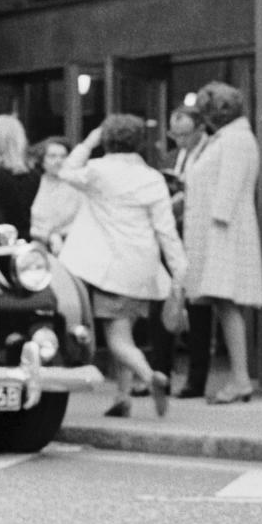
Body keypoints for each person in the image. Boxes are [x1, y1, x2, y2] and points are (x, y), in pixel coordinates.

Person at [59, 114, 186, 418]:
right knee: (125, 329)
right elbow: (166, 230)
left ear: (107, 140)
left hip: (110, 267)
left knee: (117, 340)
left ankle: (150, 375)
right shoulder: (152, 177)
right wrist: (179, 271)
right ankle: (122, 397)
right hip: (143, 267)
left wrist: (89, 141)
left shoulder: (98, 171)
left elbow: (66, 170)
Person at [183, 83, 262, 404]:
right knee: (224, 305)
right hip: (221, 231)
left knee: (227, 304)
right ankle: (239, 378)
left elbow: (227, 190)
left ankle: (241, 379)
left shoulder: (235, 139)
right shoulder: (230, 138)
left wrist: (214, 233)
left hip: (224, 233)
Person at [148, 106, 214, 399]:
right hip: (172, 236)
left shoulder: (212, 152)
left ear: (200, 129)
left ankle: (195, 380)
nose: (181, 141)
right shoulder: (171, 157)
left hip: (199, 237)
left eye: (186, 134)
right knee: (164, 304)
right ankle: (160, 374)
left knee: (199, 312)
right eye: (176, 135)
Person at [29, 135, 81, 253]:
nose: (58, 161)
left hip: (72, 246)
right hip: (39, 250)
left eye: (63, 156)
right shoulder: (34, 183)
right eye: (52, 156)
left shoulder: (77, 185)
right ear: (42, 160)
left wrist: (58, 235)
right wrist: (50, 236)